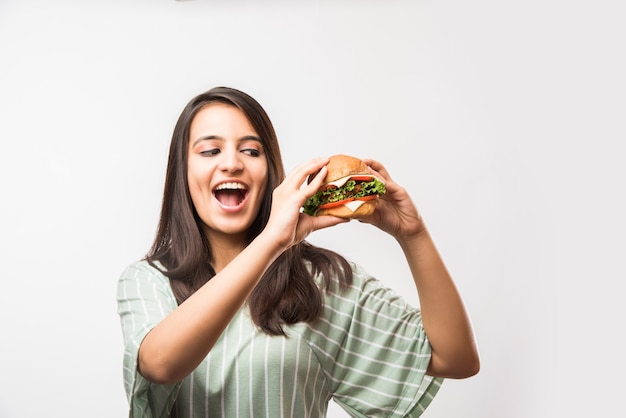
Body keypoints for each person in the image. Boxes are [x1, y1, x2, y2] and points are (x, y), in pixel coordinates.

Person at [116, 86, 479, 417]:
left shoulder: (317, 282)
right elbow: (160, 365)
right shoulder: (150, 281)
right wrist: (273, 240)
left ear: (270, 170)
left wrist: (413, 235)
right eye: (210, 150)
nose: (231, 163)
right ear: (183, 171)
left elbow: (455, 358)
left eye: (251, 150)